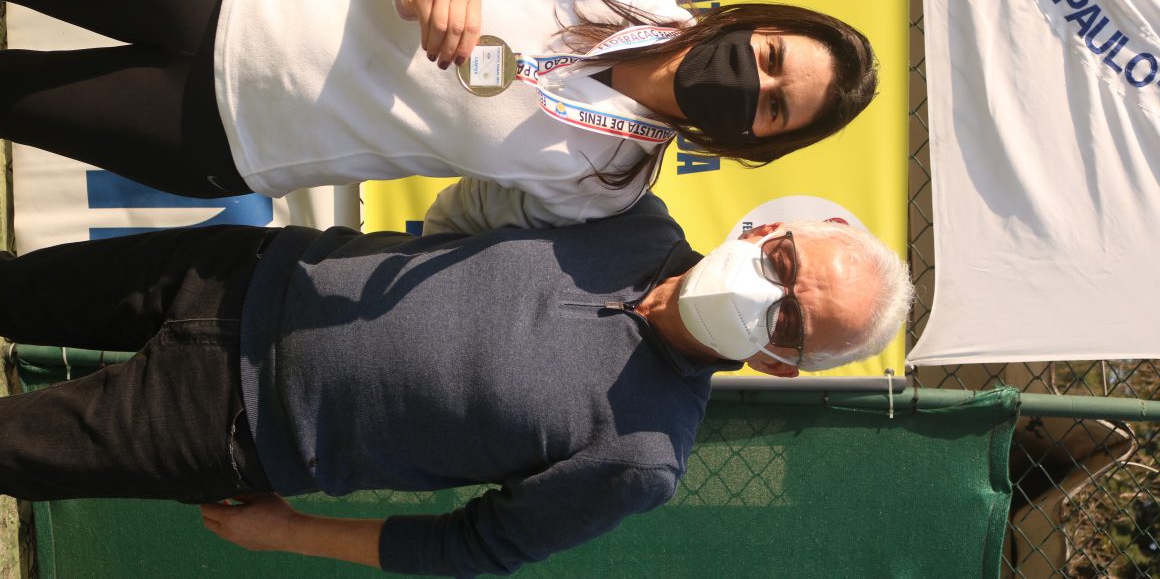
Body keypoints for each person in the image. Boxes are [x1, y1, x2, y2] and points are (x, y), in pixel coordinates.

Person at [0, 196, 913, 575]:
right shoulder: (625, 208)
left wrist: (288, 531)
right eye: (785, 264)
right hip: (246, 270)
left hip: (231, 423)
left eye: (790, 323)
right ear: (766, 229)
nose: (768, 294)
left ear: (781, 364)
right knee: (14, 289)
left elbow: (470, 547)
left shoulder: (643, 455)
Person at [0, 0, 877, 234]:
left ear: (758, 143)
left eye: (773, 108)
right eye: (771, 57)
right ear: (756, 23)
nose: (752, 83)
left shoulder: (607, 187)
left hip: (227, 139)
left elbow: (468, 219)